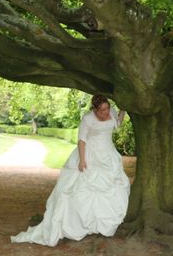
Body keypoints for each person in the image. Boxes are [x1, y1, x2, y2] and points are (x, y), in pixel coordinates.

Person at [11, 94, 131, 246]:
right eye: (102, 110)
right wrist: (82, 160)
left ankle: (102, 223)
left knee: (111, 188)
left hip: (108, 156)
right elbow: (82, 140)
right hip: (90, 156)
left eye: (107, 108)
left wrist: (122, 111)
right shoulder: (88, 119)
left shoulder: (112, 112)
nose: (106, 112)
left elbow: (117, 124)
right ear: (95, 109)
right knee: (81, 191)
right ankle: (80, 225)